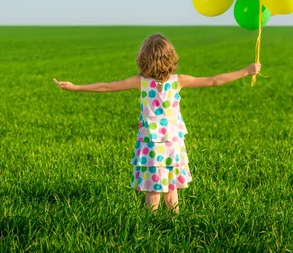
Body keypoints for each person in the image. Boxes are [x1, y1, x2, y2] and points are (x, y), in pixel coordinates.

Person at [54, 33, 261, 213]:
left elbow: (106, 86)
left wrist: (76, 87)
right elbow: (214, 80)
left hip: (152, 144)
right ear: (171, 59)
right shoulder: (178, 80)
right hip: (172, 143)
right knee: (171, 191)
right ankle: (172, 226)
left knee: (153, 193)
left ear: (143, 60)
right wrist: (246, 70)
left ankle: (151, 227)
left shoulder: (141, 82)